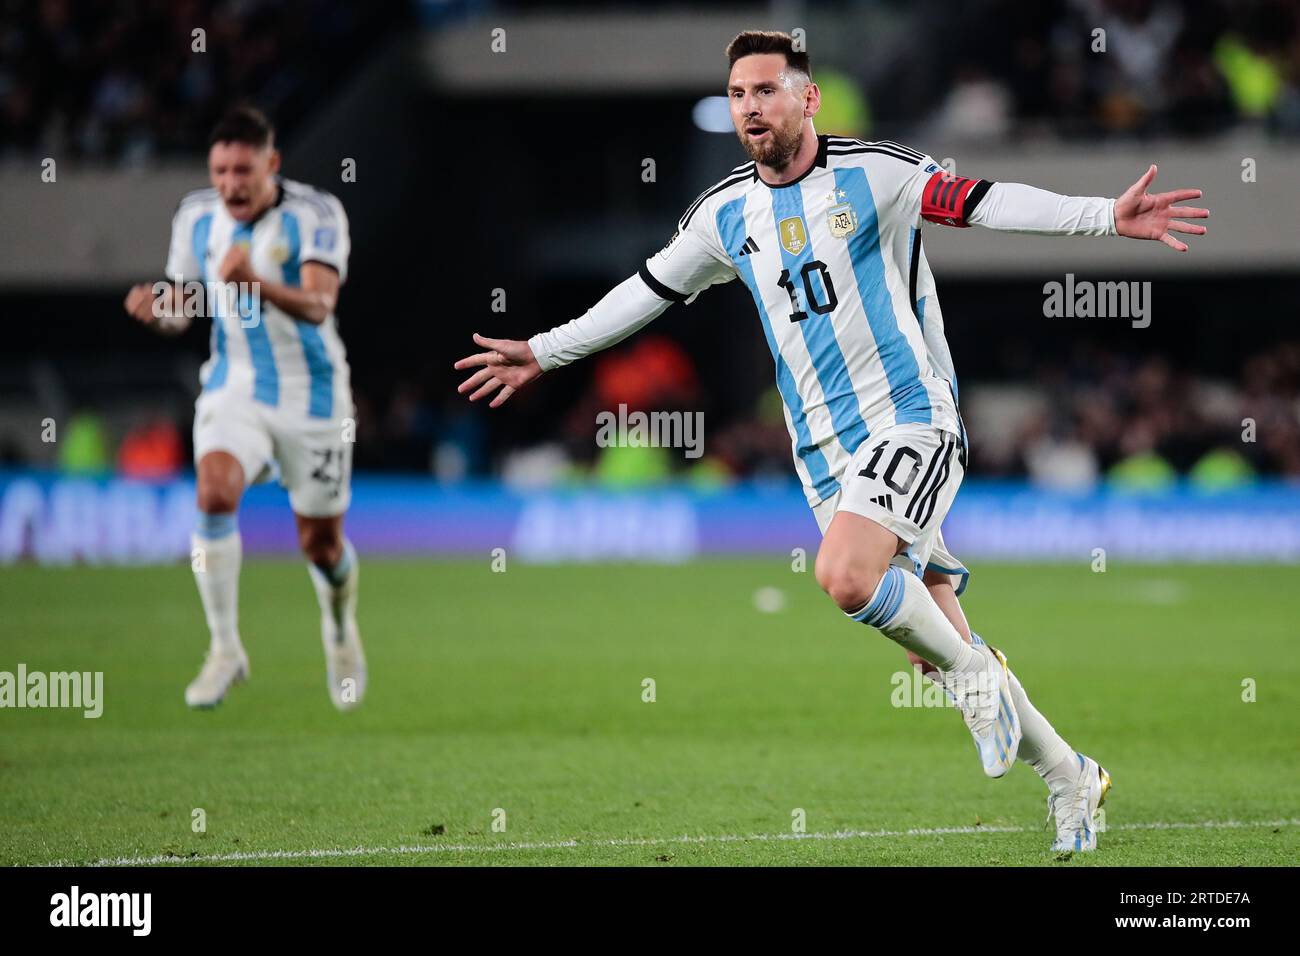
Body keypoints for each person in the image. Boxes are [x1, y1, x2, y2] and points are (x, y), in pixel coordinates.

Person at [452, 31, 1208, 853]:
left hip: (911, 417)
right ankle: (1071, 777)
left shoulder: (876, 174)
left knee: (847, 578)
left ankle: (974, 680)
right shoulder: (724, 215)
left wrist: (1103, 217)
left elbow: (984, 200)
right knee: (939, 644)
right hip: (824, 454)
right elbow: (643, 293)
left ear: (806, 98)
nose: (751, 108)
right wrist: (543, 350)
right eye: (739, 94)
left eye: (767, 91)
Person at [123, 106, 365, 711]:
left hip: (313, 396)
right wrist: (162, 313)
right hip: (236, 384)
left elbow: (318, 305)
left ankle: (338, 629)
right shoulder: (196, 216)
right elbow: (183, 308)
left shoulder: (316, 214)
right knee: (213, 492)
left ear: (271, 164)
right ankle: (225, 647)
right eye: (221, 170)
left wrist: (254, 281)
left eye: (243, 170)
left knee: (322, 547)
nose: (231, 184)